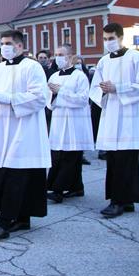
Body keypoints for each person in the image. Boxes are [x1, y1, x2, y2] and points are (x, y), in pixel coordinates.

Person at [0, 30, 51, 240]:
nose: (4, 47)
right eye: (2, 43)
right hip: (1, 127)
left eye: (9, 43)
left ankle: (6, 221)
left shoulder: (32, 67)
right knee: (1, 172)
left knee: (16, 175)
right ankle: (17, 216)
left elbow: (40, 97)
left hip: (24, 127)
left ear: (20, 46)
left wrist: (10, 99)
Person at [88, 23, 139, 218]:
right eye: (105, 39)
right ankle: (125, 199)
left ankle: (120, 201)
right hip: (111, 114)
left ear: (121, 37)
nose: (108, 42)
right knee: (114, 160)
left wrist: (118, 88)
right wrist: (103, 90)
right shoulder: (103, 61)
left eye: (112, 39)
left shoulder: (136, 57)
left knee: (127, 159)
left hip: (130, 116)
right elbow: (94, 89)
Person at [46, 44, 93, 203]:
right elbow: (48, 102)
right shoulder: (53, 76)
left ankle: (58, 189)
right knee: (58, 154)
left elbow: (83, 99)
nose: (58, 57)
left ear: (71, 57)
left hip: (75, 120)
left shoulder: (80, 76)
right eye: (56, 54)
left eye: (61, 54)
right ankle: (77, 187)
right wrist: (52, 96)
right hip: (59, 120)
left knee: (71, 155)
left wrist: (61, 92)